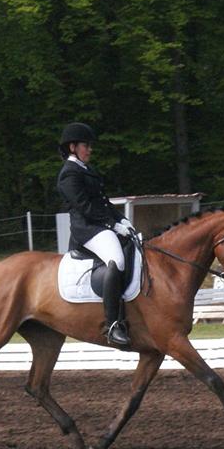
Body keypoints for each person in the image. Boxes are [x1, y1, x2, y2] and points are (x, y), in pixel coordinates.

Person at [55, 122, 134, 348]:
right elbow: (84, 207)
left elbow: (103, 203)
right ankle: (112, 325)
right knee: (116, 260)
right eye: (85, 145)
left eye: (90, 146)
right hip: (87, 230)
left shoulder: (86, 170)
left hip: (102, 225)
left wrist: (122, 221)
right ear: (73, 147)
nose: (90, 150)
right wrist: (112, 224)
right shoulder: (68, 174)